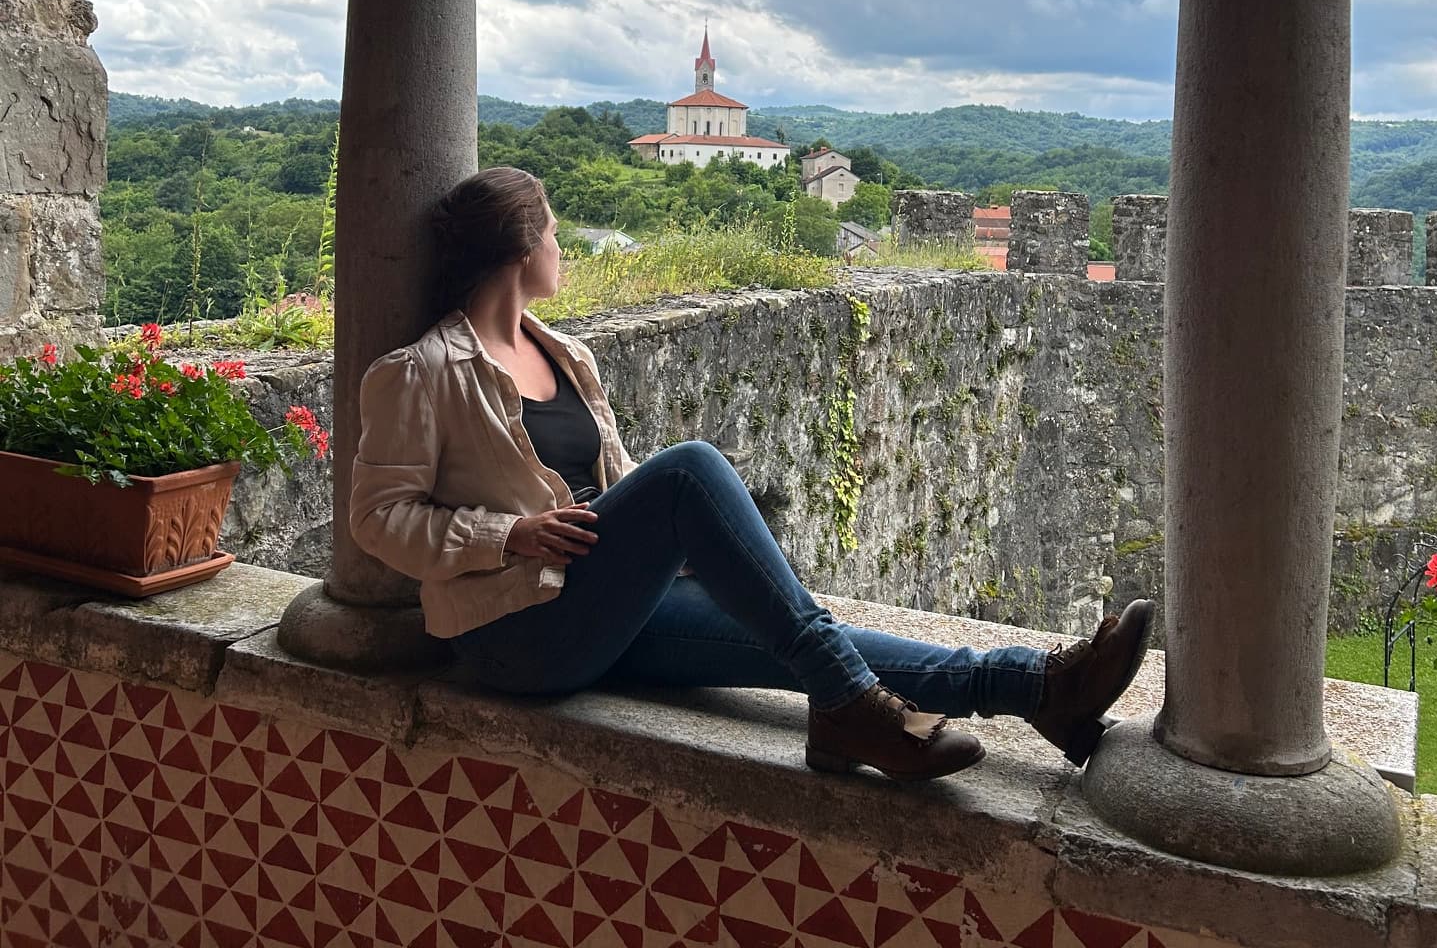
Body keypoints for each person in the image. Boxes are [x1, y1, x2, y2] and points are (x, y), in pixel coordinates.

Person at [349, 166, 1154, 783]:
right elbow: (378, 517)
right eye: (555, 233)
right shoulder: (421, 373)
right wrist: (509, 534)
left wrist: (690, 553)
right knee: (693, 470)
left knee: (802, 637)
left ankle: (1038, 690)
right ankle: (853, 711)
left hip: (604, 596)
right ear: (524, 249)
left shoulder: (564, 352)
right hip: (518, 632)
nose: (562, 247)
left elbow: (614, 482)